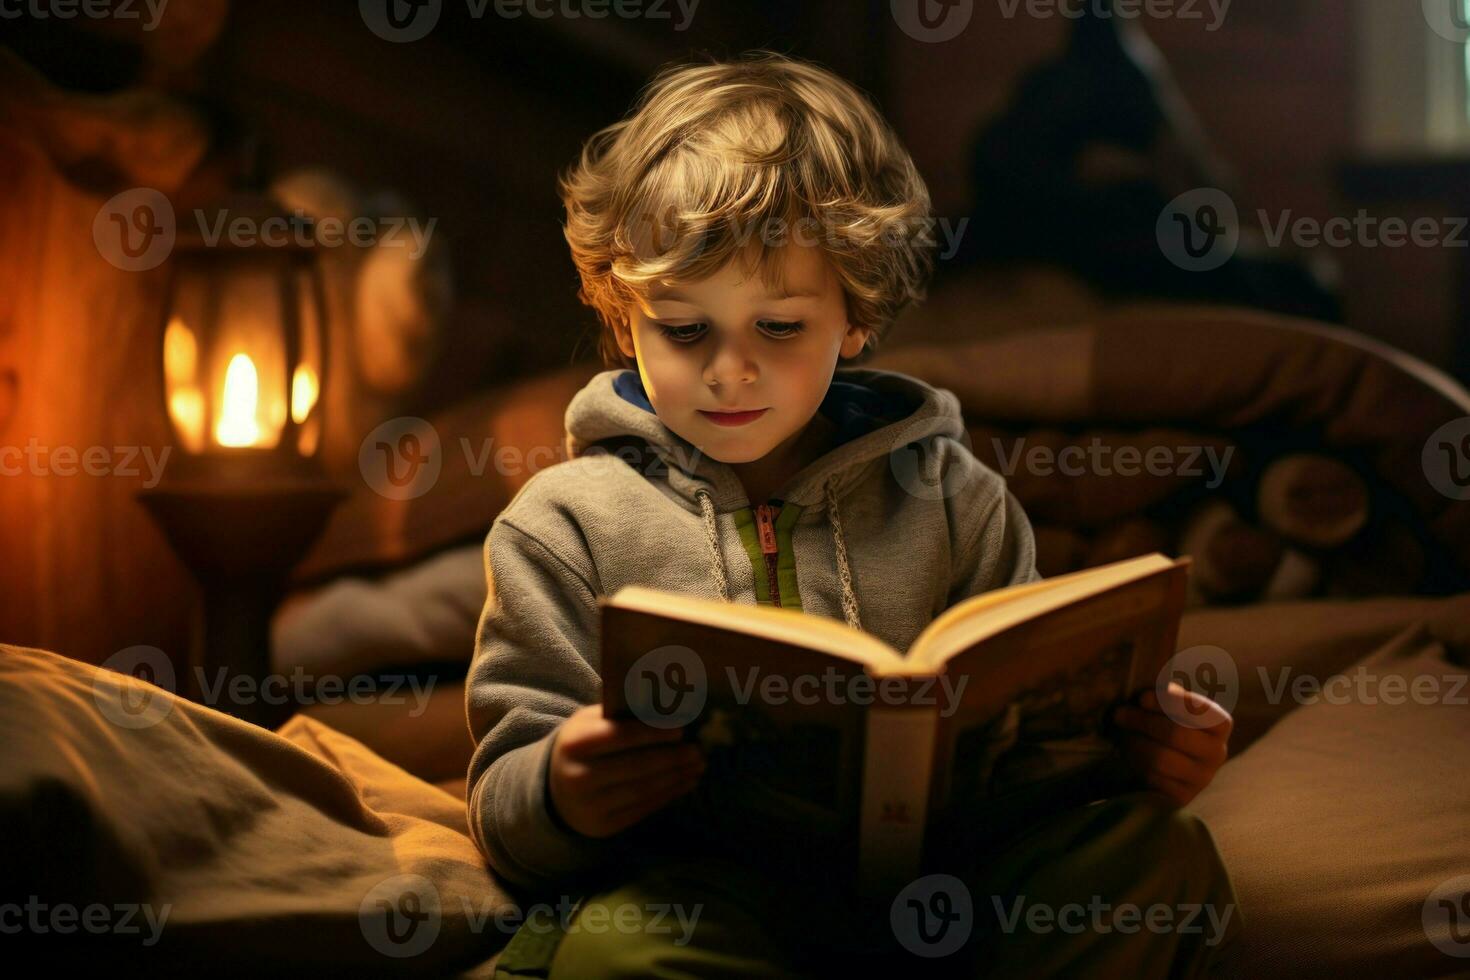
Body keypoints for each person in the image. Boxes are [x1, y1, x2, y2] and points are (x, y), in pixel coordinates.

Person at [467, 50, 1241, 977]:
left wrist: (1141, 759)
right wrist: (559, 791)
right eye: (683, 328)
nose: (728, 370)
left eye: (780, 327)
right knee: (613, 955)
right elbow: (503, 802)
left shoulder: (956, 500)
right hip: (706, 910)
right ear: (623, 312)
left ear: (857, 317)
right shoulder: (562, 524)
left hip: (951, 898)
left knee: (1164, 857)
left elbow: (1036, 745)